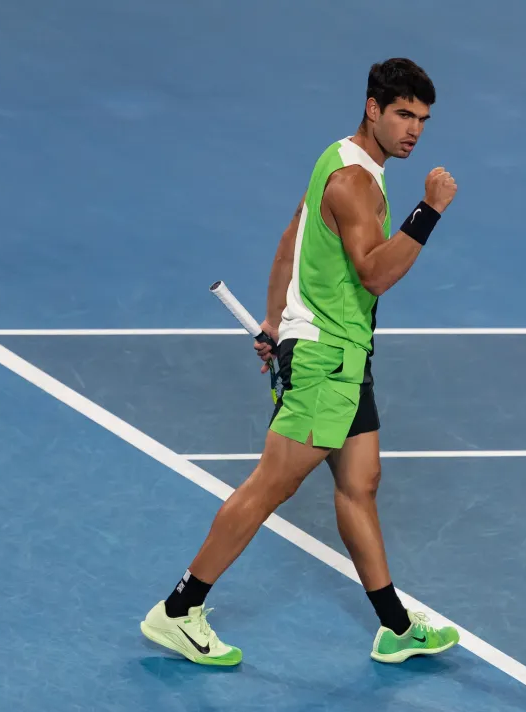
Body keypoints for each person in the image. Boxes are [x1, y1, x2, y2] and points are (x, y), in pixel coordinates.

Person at [140, 58, 458, 666]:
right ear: (373, 108)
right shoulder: (357, 184)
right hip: (327, 362)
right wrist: (429, 211)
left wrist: (273, 319)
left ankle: (395, 627)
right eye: (403, 115)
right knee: (269, 487)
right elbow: (375, 272)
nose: (414, 130)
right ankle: (179, 611)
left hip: (345, 353)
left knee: (359, 486)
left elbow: (295, 231)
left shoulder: (337, 158)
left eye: (422, 119)